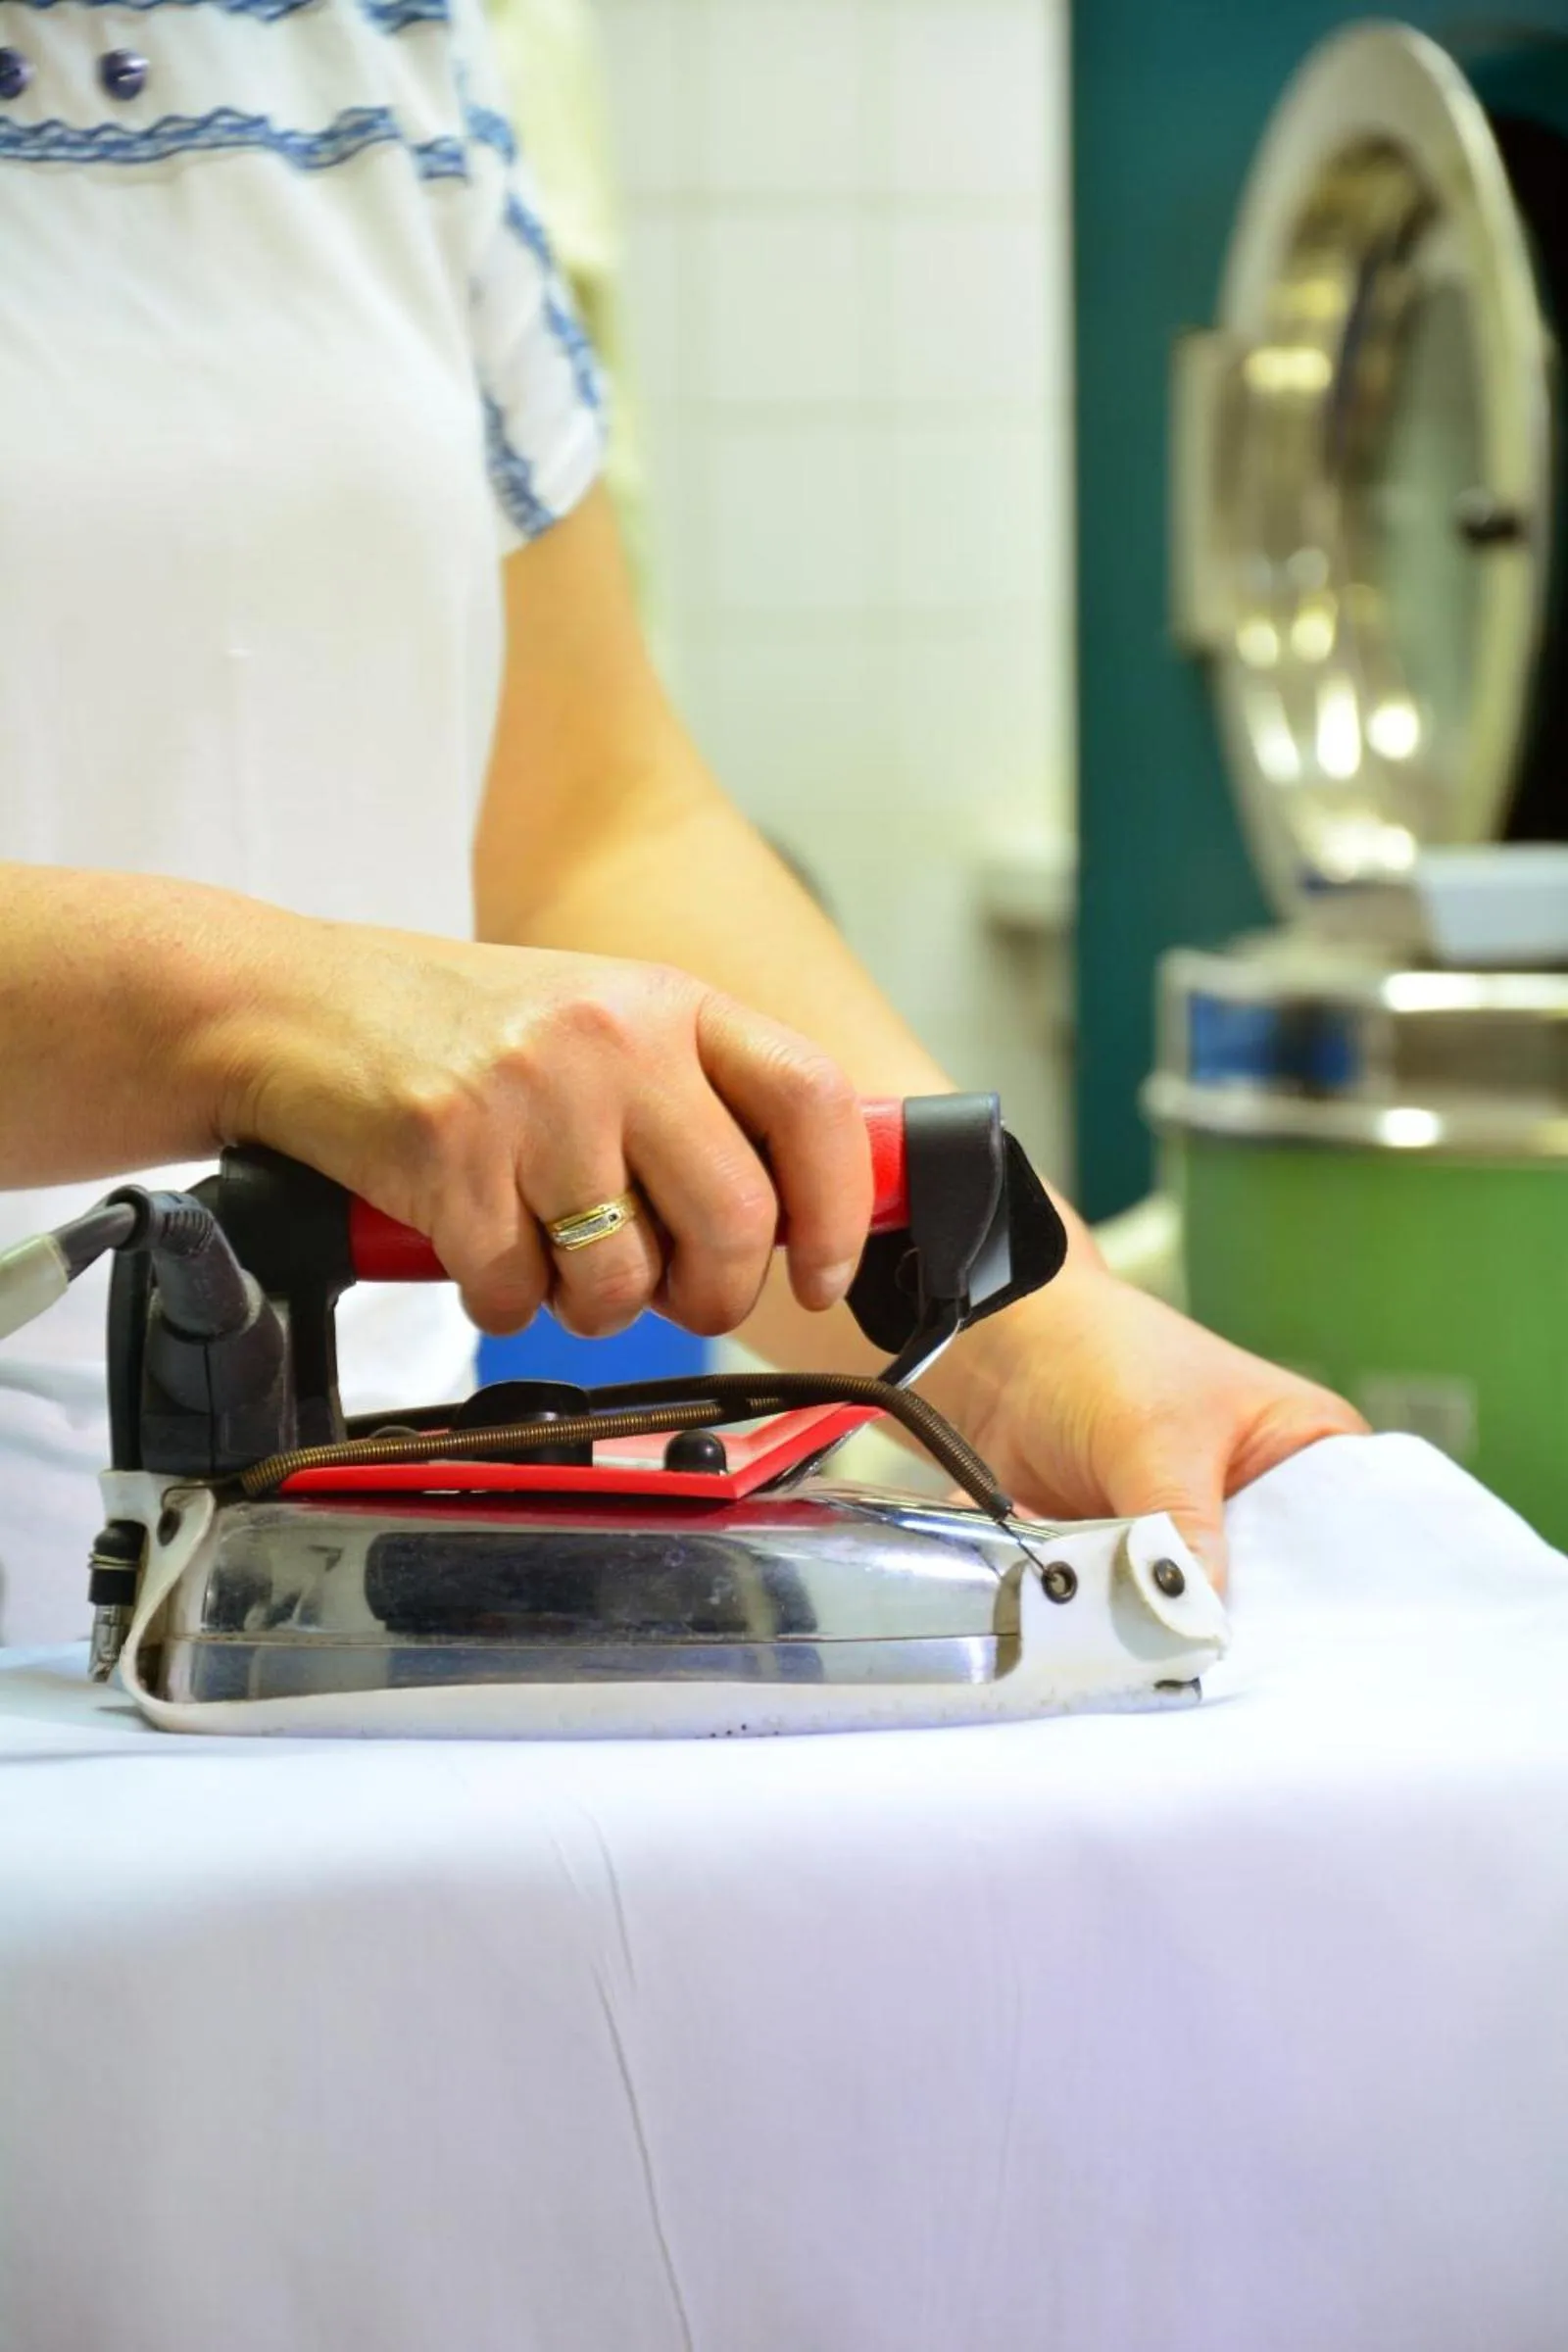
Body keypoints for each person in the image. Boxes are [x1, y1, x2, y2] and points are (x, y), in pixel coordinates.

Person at [0, 0, 1358, 1642]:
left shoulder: (370, 48)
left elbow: (589, 826)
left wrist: (1025, 1333)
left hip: (333, 1594)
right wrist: (245, 1007)